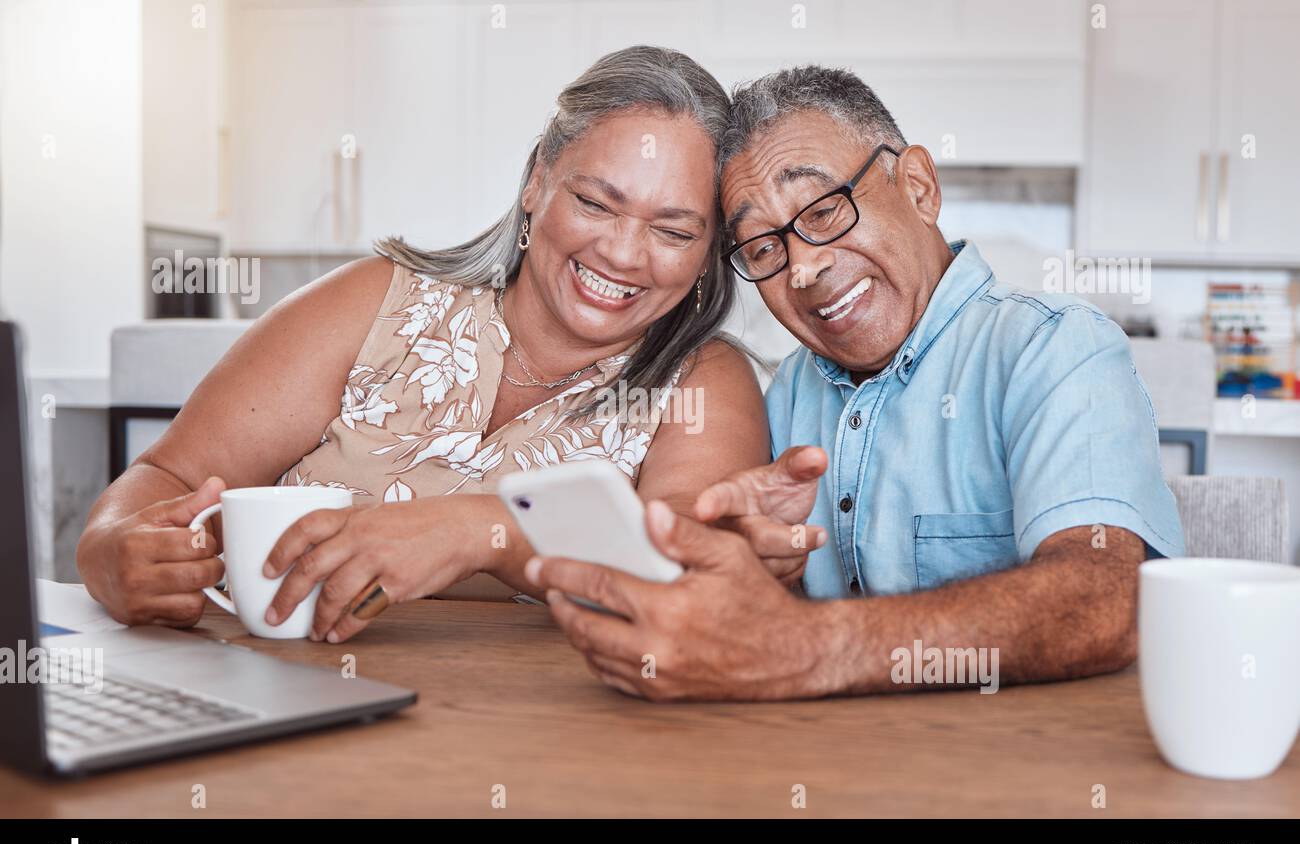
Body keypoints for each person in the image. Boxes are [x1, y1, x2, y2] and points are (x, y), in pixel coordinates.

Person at [528, 65, 1185, 701]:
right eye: (763, 248)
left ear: (920, 187)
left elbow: (1106, 599)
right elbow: (741, 632)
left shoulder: (1053, 347)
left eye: (823, 211)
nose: (804, 268)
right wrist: (763, 569)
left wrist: (805, 645)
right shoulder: (788, 391)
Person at [76, 46, 771, 644]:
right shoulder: (373, 301)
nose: (622, 252)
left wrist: (481, 531)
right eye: (595, 202)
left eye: (674, 231)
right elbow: (168, 480)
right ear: (537, 184)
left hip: (538, 753)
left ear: (709, 250)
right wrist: (108, 550)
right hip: (278, 713)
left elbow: (694, 573)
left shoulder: (703, 383)